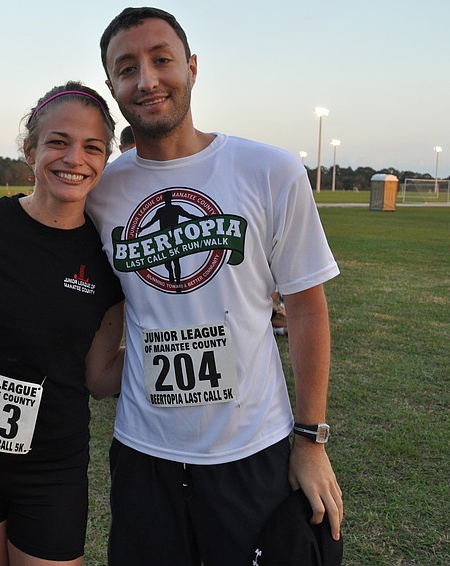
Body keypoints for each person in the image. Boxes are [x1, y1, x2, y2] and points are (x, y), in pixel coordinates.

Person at [86, 8, 343, 565]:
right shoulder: (101, 192)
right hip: (143, 449)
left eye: (161, 60)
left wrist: (310, 441)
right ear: (113, 87)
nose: (147, 79)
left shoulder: (269, 171)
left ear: (192, 68)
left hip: (251, 446)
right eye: (127, 68)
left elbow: (306, 310)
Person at [0, 81, 125, 566]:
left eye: (92, 147)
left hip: (51, 468)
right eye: (58, 142)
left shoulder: (108, 257)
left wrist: (180, 346)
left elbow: (98, 377)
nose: (74, 158)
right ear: (30, 149)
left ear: (105, 159)